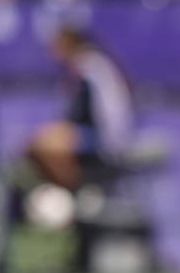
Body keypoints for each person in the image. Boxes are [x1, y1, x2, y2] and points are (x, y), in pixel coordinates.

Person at [23, 24, 133, 192]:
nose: (52, 51)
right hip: (99, 130)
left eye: (56, 45)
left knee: (42, 147)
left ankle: (72, 191)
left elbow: (85, 114)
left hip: (106, 138)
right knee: (41, 140)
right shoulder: (89, 62)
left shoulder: (87, 66)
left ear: (68, 44)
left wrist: (59, 132)